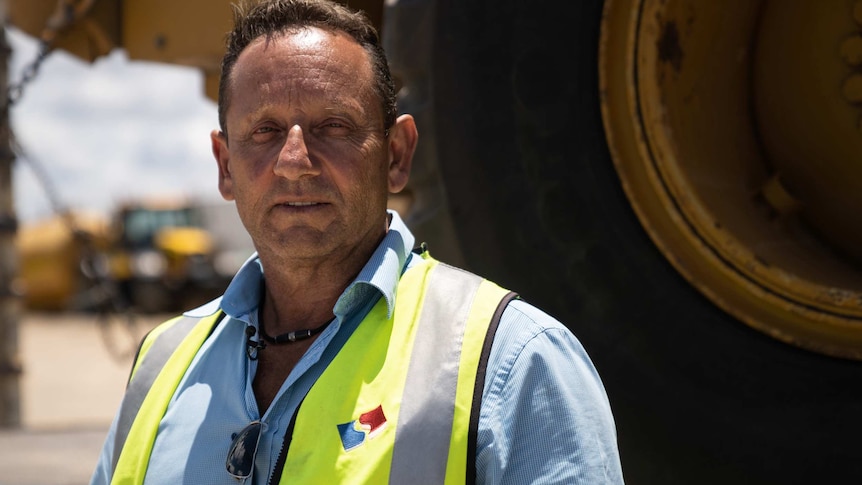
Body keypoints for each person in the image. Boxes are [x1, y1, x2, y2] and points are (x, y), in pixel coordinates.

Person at [90, 0, 625, 483]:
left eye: (333, 126)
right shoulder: (161, 364)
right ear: (226, 167)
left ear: (396, 156)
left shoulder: (516, 362)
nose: (294, 163)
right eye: (265, 131)